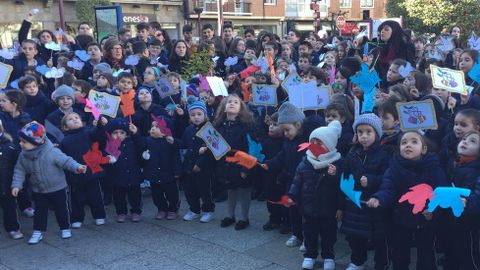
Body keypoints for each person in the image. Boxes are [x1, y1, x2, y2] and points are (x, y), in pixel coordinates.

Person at [367, 131, 447, 269]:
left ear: (424, 149)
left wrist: (433, 208)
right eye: (404, 143)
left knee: (426, 255)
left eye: (414, 142)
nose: (408, 145)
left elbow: (441, 192)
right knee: (399, 255)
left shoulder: (434, 168)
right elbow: (388, 188)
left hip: (426, 219)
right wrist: (378, 198)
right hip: (401, 219)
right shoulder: (394, 168)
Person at [11, 121, 87, 244]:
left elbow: (66, 161)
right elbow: (19, 171)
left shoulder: (52, 152)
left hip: (57, 188)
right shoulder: (23, 156)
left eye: (24, 142)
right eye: (20, 141)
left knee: (61, 209)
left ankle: (64, 227)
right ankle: (38, 230)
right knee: (40, 211)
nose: (21, 144)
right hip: (38, 189)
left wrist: (77, 167)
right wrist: (16, 185)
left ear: (37, 142)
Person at [288, 121, 343, 270]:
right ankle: (310, 255)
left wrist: (335, 175)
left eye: (320, 142)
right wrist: (292, 196)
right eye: (313, 142)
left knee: (328, 235)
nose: (315, 145)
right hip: (309, 206)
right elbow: (297, 181)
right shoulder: (306, 161)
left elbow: (341, 188)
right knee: (309, 234)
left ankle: (328, 257)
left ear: (330, 145)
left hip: (328, 208)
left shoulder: (337, 163)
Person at [341, 113, 390, 270]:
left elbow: (388, 178)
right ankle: (357, 261)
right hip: (355, 203)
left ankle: (381, 264)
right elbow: (345, 175)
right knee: (355, 236)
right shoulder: (352, 153)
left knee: (379, 238)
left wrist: (372, 180)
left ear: (377, 133)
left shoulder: (383, 155)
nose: (364, 136)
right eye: (360, 132)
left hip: (374, 203)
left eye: (369, 132)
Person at [60, 113, 112, 229]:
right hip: (75, 173)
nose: (74, 120)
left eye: (77, 118)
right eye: (70, 119)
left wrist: (99, 125)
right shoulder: (64, 141)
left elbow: (98, 135)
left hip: (91, 170)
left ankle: (99, 216)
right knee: (76, 198)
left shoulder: (88, 132)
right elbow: (63, 158)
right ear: (65, 127)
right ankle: (77, 218)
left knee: (96, 195)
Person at [214, 94, 256, 230]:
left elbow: (251, 148)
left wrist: (246, 168)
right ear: (224, 108)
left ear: (241, 108)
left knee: (244, 190)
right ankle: (230, 215)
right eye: (229, 102)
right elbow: (217, 146)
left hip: (242, 164)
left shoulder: (246, 126)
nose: (232, 104)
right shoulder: (219, 126)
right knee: (230, 190)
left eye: (236, 102)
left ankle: (244, 218)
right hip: (226, 164)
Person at [176, 99, 216, 223]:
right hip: (188, 164)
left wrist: (199, 164)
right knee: (189, 189)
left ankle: (208, 210)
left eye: (199, 114)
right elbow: (184, 144)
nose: (196, 117)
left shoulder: (209, 129)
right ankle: (194, 210)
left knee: (204, 189)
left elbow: (212, 149)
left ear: (205, 115)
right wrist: (173, 141)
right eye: (193, 115)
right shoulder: (188, 129)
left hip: (203, 167)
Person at [0, 121, 23, 240]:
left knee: (9, 207)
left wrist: (16, 183)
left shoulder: (9, 146)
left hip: (5, 183)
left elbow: (17, 165)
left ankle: (12, 228)